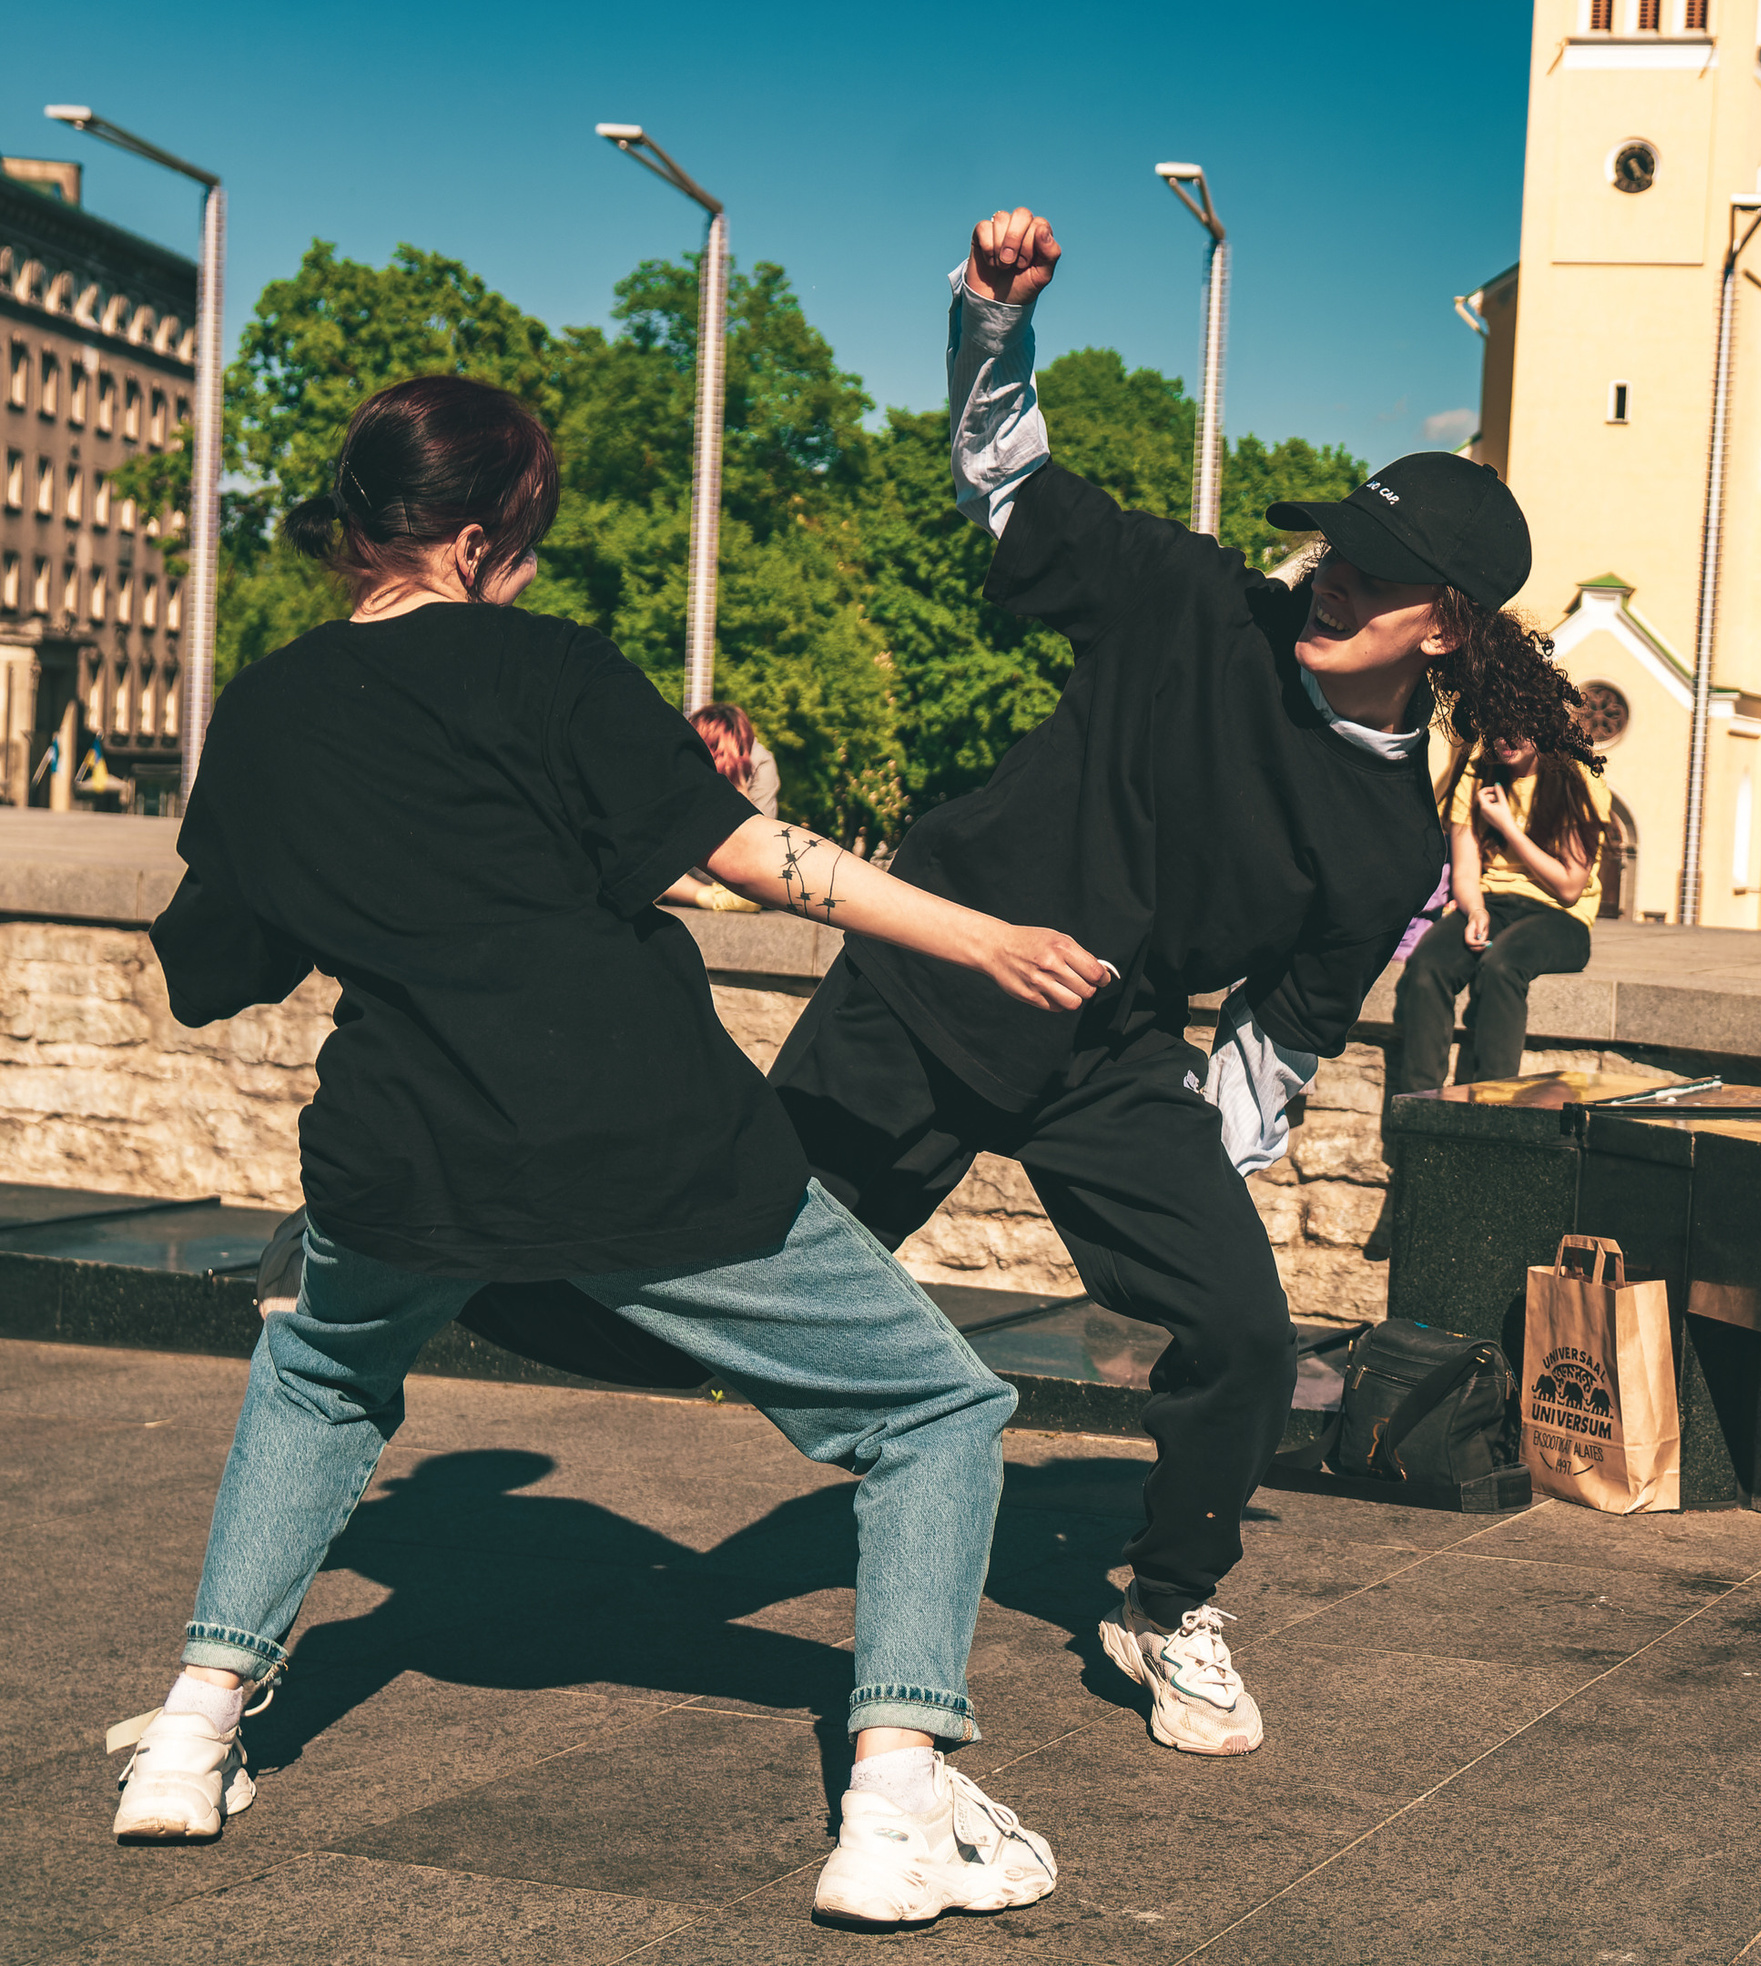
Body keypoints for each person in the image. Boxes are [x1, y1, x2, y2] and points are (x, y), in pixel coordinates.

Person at [117, 374, 1103, 1929]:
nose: (527, 565)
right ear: (471, 537)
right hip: (633, 1139)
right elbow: (755, 855)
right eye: (523, 536)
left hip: (398, 1157)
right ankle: (896, 1804)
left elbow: (211, 965)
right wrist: (982, 936)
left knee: (317, 1374)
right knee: (937, 1408)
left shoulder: (268, 708)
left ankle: (189, 1735)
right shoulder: (555, 670)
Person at [768, 205, 1597, 1758]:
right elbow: (1005, 476)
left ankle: (1168, 1601)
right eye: (1336, 550)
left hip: (1105, 1051)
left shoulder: (1386, 840)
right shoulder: (1195, 600)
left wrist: (1187, 1196)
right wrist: (994, 317)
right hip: (928, 982)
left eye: (1374, 576)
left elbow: (1281, 1034)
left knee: (1247, 1331)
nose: (1333, 580)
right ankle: (431, 1285)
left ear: (1447, 626)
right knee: (737, 1264)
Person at [1392, 734, 1611, 1092]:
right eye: (1497, 725)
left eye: (1518, 725)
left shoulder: (1578, 776)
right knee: (1428, 966)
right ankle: (1421, 1104)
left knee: (1502, 966)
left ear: (1542, 724)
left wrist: (1507, 825)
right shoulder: (1477, 772)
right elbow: (1465, 871)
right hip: (1492, 903)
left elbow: (1570, 886)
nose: (1505, 737)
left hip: (1561, 917)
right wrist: (1475, 910)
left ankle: (1494, 1106)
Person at [663, 703, 778, 911]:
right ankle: (707, 897)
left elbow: (762, 848)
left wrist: (739, 790)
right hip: (684, 864)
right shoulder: (678, 756)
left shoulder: (759, 761)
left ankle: (701, 895)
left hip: (735, 862)